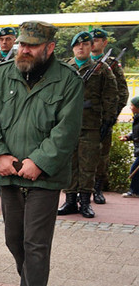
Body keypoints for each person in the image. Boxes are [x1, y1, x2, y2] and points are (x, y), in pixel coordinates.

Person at [0, 21, 84, 286]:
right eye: (22, 44)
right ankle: (33, 285)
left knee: (35, 243)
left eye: (32, 46)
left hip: (44, 177)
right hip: (9, 173)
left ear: (49, 48)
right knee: (14, 239)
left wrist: (38, 162)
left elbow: (66, 131)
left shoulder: (68, 81)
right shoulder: (1, 76)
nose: (24, 50)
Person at [57, 31, 117, 219]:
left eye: (85, 45)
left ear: (91, 47)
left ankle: (85, 202)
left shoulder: (102, 69)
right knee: (69, 163)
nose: (81, 48)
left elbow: (111, 96)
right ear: (73, 48)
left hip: (91, 124)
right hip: (68, 124)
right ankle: (69, 200)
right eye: (77, 45)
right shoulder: (65, 68)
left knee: (88, 164)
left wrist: (108, 120)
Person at [92, 28, 129, 204]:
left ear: (104, 43)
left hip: (102, 118)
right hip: (81, 118)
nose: (92, 43)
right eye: (89, 41)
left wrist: (111, 116)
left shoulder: (112, 64)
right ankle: (75, 192)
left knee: (102, 155)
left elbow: (122, 92)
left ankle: (97, 190)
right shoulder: (77, 62)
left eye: (97, 40)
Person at [121, 96, 139, 198]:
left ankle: (134, 191)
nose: (131, 107)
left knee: (134, 170)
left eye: (132, 105)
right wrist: (127, 137)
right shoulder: (137, 118)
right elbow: (136, 133)